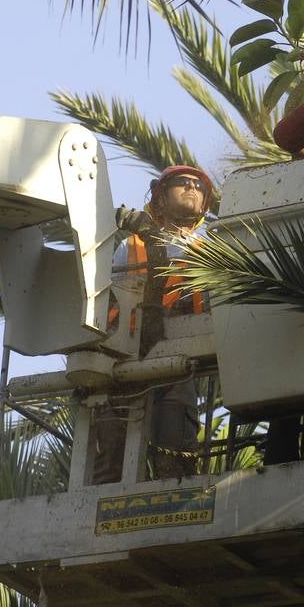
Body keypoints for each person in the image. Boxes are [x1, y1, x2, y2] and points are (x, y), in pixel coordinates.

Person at [92, 165, 214, 484]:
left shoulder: (208, 251)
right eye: (181, 183)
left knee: (175, 441)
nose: (191, 188)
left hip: (178, 352)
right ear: (160, 196)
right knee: (112, 446)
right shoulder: (131, 245)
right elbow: (107, 297)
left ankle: (175, 487)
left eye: (198, 186)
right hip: (128, 349)